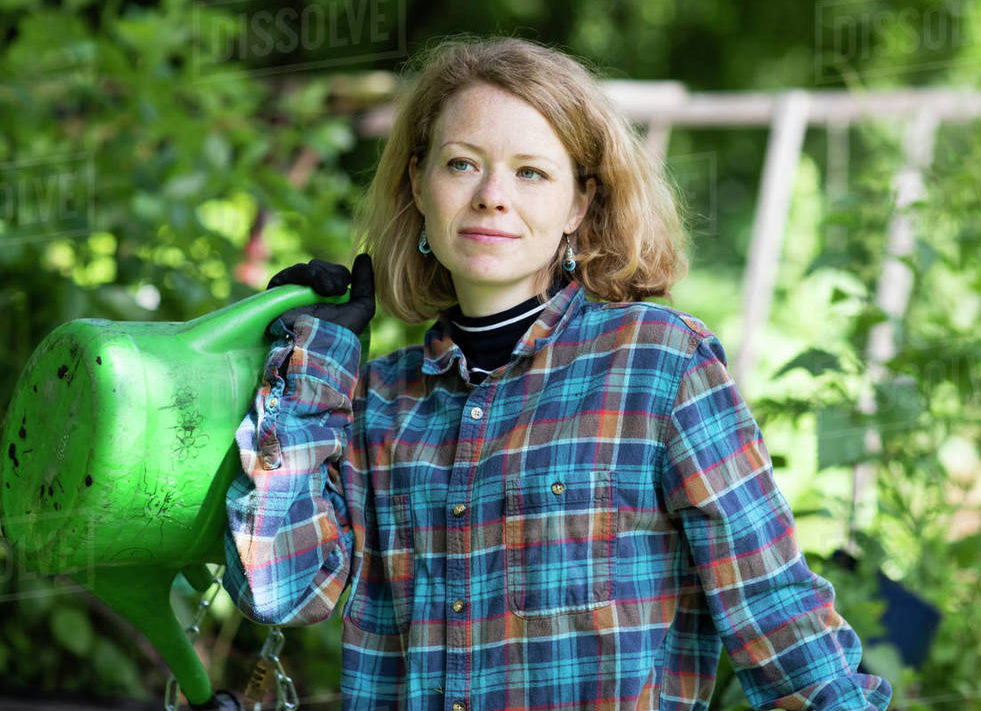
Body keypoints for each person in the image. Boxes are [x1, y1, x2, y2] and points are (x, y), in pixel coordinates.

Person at [222, 36, 892, 710]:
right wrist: (310, 374)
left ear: (578, 205)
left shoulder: (658, 365)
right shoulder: (376, 402)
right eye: (462, 165)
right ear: (418, 185)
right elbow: (283, 589)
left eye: (531, 173)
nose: (492, 197)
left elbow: (773, 610)